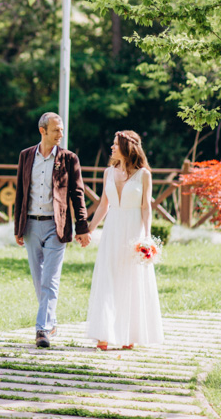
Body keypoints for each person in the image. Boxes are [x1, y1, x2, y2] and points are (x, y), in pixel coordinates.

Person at [14, 112, 91, 348]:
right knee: (39, 280)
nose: (61, 134)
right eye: (56, 130)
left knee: (50, 279)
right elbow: (20, 192)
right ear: (43, 130)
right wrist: (18, 227)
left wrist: (82, 227)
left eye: (62, 129)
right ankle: (52, 321)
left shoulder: (69, 158)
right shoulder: (26, 156)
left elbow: (77, 194)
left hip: (56, 226)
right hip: (30, 225)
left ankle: (42, 329)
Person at [86, 130, 164, 350]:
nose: (112, 147)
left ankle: (130, 334)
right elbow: (104, 205)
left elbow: (146, 207)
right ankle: (103, 335)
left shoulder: (143, 175)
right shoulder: (108, 173)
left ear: (127, 147)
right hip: (112, 230)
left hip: (133, 230)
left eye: (115, 144)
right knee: (108, 277)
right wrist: (89, 229)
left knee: (132, 280)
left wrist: (146, 237)